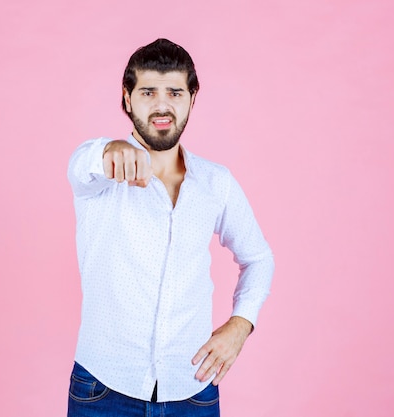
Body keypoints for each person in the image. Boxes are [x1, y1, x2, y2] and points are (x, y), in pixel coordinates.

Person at [66, 38, 274, 417]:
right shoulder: (100, 172)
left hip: (192, 391)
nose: (162, 105)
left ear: (193, 99)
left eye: (175, 92)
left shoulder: (216, 183)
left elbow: (258, 258)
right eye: (148, 92)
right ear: (127, 99)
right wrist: (108, 150)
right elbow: (80, 165)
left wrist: (241, 324)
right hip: (103, 388)